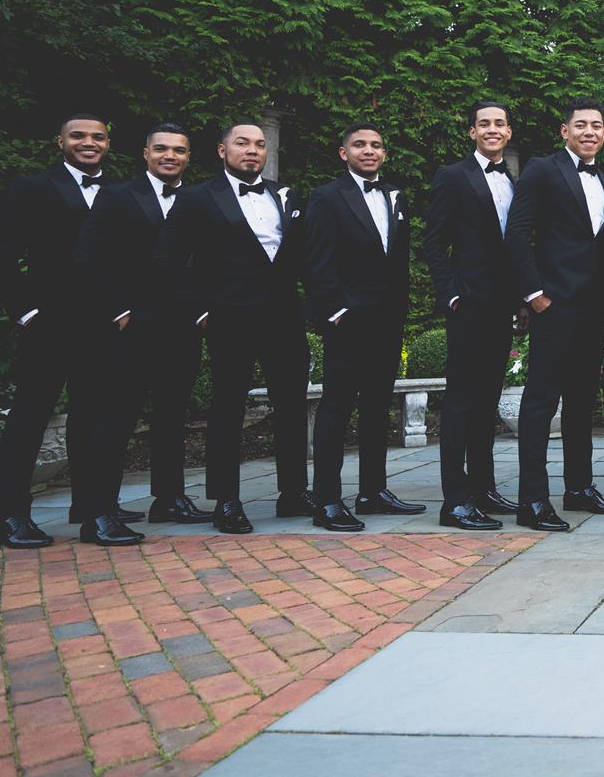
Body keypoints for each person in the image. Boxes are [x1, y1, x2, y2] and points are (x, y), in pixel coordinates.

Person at [154, 122, 311, 534]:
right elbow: (168, 258)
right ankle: (226, 500)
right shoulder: (197, 197)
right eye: (242, 143)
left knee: (292, 406)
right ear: (222, 150)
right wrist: (199, 310)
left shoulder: (286, 194)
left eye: (259, 144)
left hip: (284, 318)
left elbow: (301, 254)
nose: (252, 150)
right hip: (229, 318)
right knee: (227, 409)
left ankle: (294, 493)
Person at [0, 113, 124, 548]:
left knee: (94, 421)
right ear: (60, 142)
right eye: (78, 136)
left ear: (108, 144)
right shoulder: (32, 188)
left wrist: (124, 311)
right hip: (48, 324)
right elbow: (0, 255)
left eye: (98, 137)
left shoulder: (119, 192)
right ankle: (10, 517)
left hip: (102, 326)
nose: (89, 142)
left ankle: (94, 514)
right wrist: (26, 313)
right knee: (29, 419)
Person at [76, 122, 209, 527]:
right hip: (133, 326)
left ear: (188, 157)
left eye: (179, 150)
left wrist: (203, 311)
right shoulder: (117, 196)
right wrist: (119, 310)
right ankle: (100, 511)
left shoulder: (199, 200)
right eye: (162, 148)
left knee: (173, 416)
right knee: (117, 418)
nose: (170, 156)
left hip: (183, 326)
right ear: (146, 153)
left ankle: (169, 499)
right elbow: (89, 256)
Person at [508, 98, 604, 532]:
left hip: (593, 309)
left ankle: (579, 488)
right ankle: (532, 500)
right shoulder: (543, 170)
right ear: (565, 131)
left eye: (597, 126)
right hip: (554, 305)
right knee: (541, 402)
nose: (589, 132)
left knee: (581, 401)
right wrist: (535, 295)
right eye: (581, 125)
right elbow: (517, 234)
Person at [300, 123, 425, 531]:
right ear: (344, 153)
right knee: (336, 407)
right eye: (359, 145)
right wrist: (336, 312)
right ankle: (327, 500)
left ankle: (373, 491)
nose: (368, 151)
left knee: (377, 406)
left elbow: (398, 260)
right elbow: (316, 261)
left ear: (384, 153)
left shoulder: (396, 196)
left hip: (387, 320)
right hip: (348, 320)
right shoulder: (326, 197)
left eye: (376, 145)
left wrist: (400, 311)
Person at [422, 100, 523, 531]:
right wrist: (451, 295)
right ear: (472, 132)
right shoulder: (453, 176)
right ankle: (455, 501)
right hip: (468, 305)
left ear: (508, 132)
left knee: (486, 401)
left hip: (502, 306)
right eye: (484, 123)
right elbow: (433, 243)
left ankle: (483, 488)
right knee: (461, 403)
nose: (492, 129)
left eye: (499, 123)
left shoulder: (513, 180)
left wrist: (521, 300)